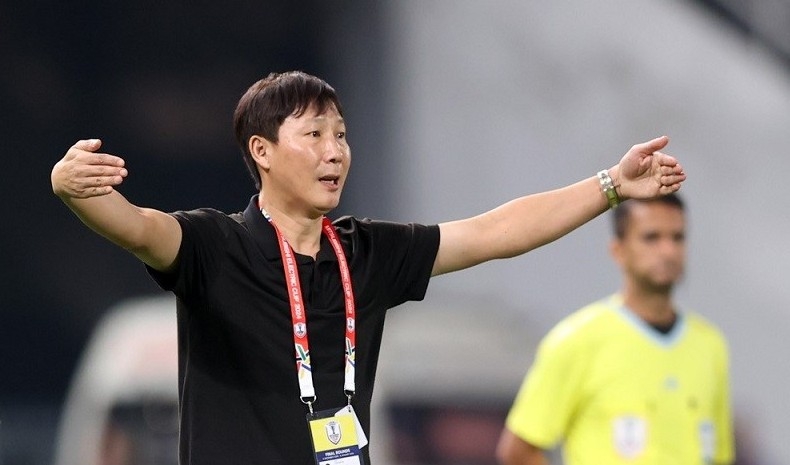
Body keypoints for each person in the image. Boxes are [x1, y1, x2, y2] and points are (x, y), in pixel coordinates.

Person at [51, 70, 686, 465]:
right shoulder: (216, 246)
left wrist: (611, 184)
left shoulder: (366, 251)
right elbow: (138, 227)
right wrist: (72, 188)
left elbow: (494, 232)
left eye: (342, 135)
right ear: (262, 151)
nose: (335, 152)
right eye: (314, 135)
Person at [495, 193, 734, 465]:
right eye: (652, 237)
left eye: (677, 238)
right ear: (618, 250)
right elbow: (518, 451)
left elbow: (720, 455)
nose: (668, 251)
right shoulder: (577, 339)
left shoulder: (710, 344)